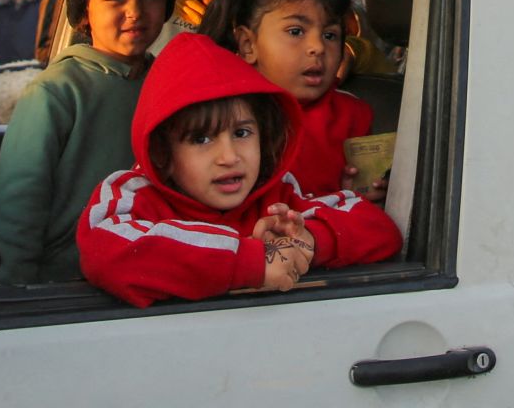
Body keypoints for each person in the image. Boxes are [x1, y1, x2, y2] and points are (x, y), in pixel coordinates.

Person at [77, 33, 402, 307]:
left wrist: (307, 241)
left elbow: (379, 230)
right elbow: (104, 251)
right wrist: (252, 261)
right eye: (202, 139)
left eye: (242, 133)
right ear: (163, 153)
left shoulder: (277, 194)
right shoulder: (133, 195)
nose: (229, 156)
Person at [0, 0, 173, 284]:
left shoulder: (170, 85)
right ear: (85, 10)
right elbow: (18, 210)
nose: (135, 10)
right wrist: (11, 295)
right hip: (67, 288)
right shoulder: (56, 93)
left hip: (148, 277)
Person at [203, 0, 380, 199]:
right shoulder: (219, 112)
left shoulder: (352, 117)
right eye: (296, 31)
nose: (317, 47)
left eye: (330, 36)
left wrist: (351, 197)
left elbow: (366, 207)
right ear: (248, 44)